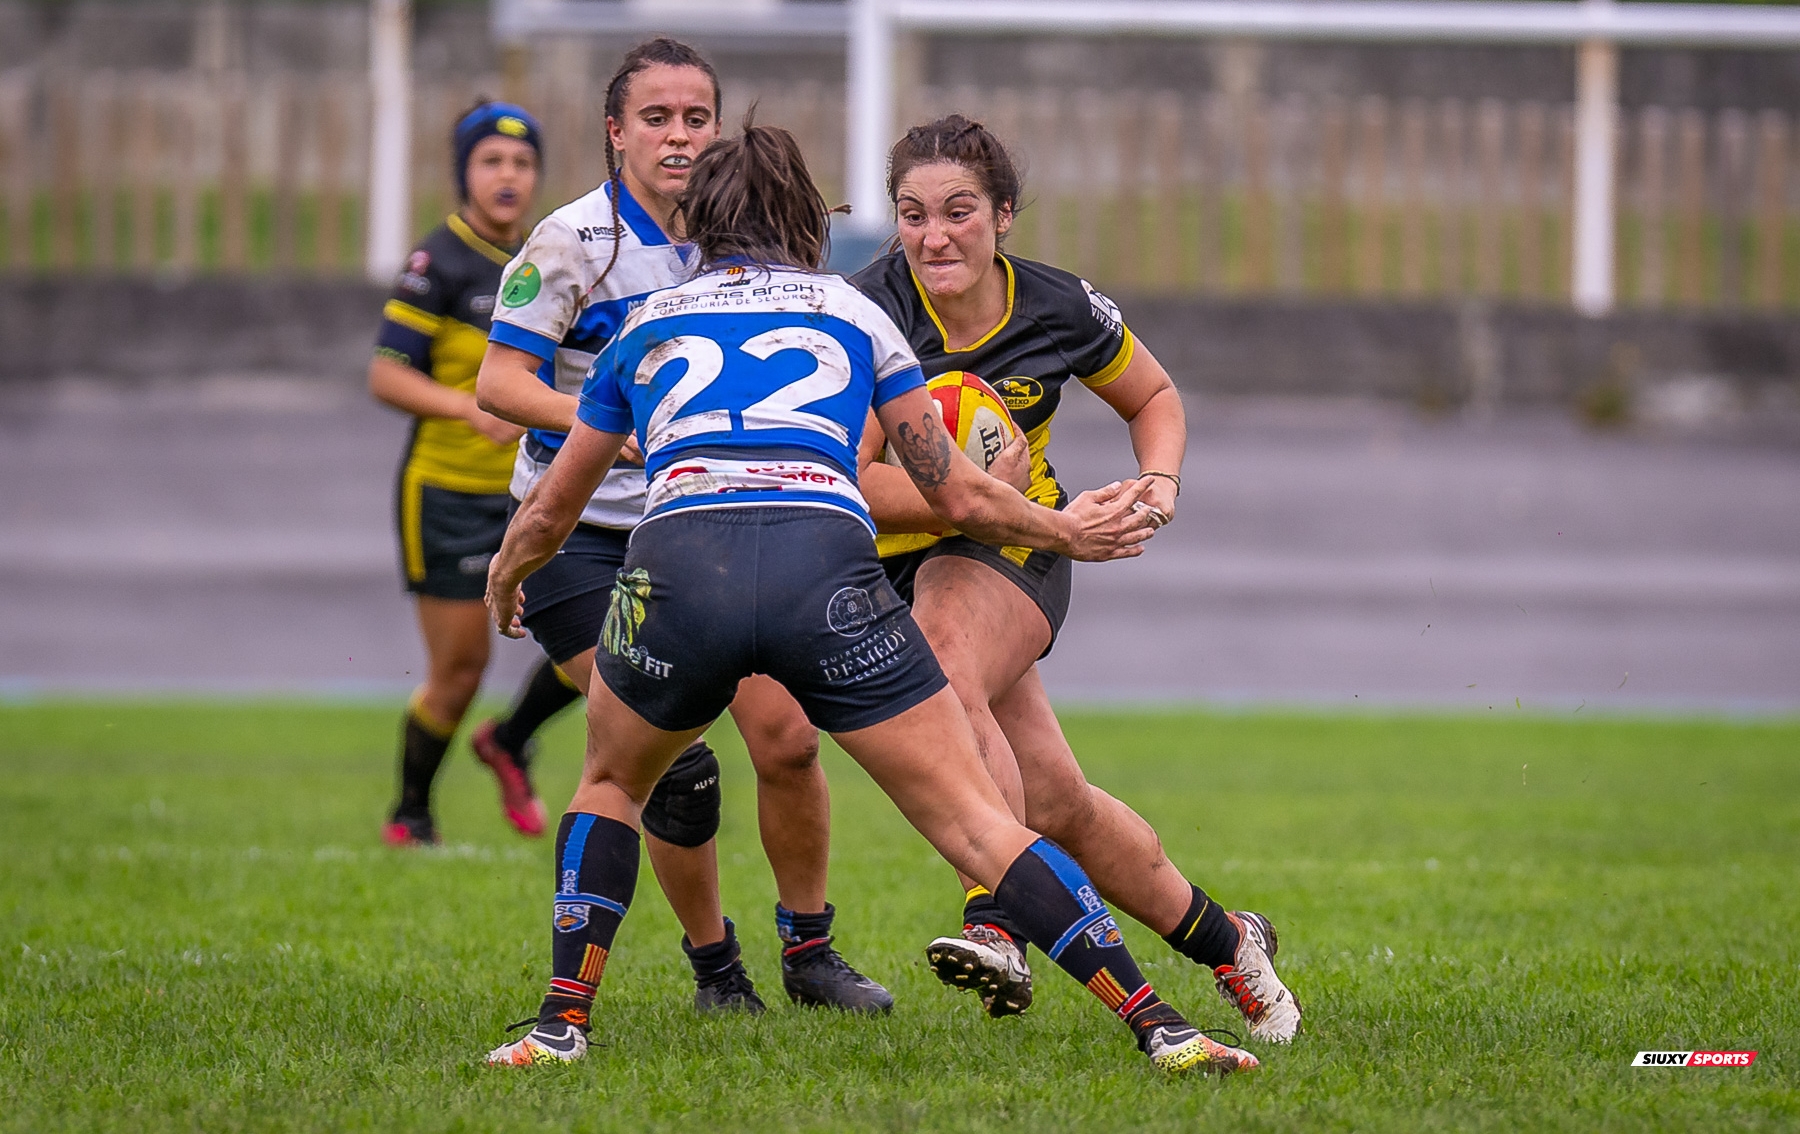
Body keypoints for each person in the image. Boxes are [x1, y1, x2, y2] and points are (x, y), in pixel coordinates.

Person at [479, 119, 1260, 1078]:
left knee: (610, 782)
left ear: (699, 226)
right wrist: (1069, 531)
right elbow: (957, 494)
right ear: (809, 215)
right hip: (826, 578)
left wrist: (511, 573)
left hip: (680, 573)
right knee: (981, 819)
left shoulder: (647, 323)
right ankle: (1160, 1024)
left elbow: (558, 498)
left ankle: (561, 1024)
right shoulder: (859, 317)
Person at [850, 115, 1302, 1043]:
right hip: (902, 548)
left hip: (1024, 542)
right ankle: (1230, 941)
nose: (935, 236)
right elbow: (853, 479)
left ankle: (997, 920)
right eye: (913, 214)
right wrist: (958, 500)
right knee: (1054, 800)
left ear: (1005, 215)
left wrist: (1159, 481)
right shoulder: (869, 310)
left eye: (959, 211)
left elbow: (1154, 396)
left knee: (944, 663)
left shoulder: (1057, 305)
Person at [474, 38, 888, 1013]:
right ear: (615, 131)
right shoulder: (569, 242)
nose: (678, 135)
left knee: (786, 739)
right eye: (655, 117)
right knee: (676, 761)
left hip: (702, 523)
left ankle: (810, 952)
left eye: (696, 117)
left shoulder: (735, 236)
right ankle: (717, 969)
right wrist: (604, 433)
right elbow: (499, 382)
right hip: (579, 532)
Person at [367, 100, 583, 848]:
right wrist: (468, 409)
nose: (508, 176)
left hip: (539, 491)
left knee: (601, 633)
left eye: (522, 164)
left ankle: (511, 738)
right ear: (465, 173)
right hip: (449, 492)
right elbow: (387, 374)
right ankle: (411, 810)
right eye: (491, 161)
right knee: (460, 669)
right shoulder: (441, 261)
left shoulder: (552, 257)